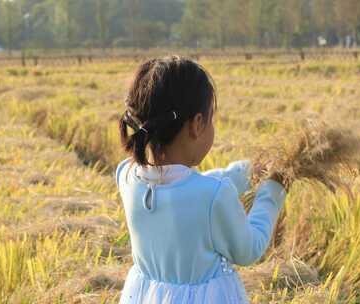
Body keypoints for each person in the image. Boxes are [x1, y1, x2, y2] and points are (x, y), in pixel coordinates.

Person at [115, 55, 288, 303]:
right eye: (211, 119)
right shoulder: (214, 195)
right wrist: (273, 190)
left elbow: (180, 189)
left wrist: (244, 174)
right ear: (197, 124)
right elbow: (248, 249)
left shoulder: (126, 175)